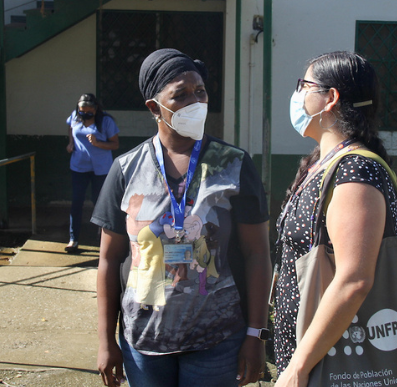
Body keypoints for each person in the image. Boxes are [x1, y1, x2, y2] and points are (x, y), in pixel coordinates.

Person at [92, 48, 271, 387]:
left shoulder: (233, 164)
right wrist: (105, 339)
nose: (196, 102)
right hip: (143, 344)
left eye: (200, 91)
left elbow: (258, 253)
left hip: (217, 340)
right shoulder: (126, 170)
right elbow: (108, 259)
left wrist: (256, 334)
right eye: (181, 95)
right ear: (154, 107)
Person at [273, 51, 397, 386]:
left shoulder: (356, 172)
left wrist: (298, 367)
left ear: (330, 98)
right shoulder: (320, 164)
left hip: (337, 361)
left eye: (303, 86)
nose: (297, 95)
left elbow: (354, 280)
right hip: (315, 353)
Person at [65, 93, 119, 253]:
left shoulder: (106, 121)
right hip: (79, 166)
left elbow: (115, 145)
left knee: (100, 202)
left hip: (101, 169)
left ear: (95, 110)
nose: (85, 113)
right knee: (76, 202)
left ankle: (101, 232)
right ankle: (73, 239)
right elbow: (70, 127)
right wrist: (70, 143)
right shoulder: (75, 116)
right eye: (82, 110)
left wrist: (98, 143)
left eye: (89, 111)